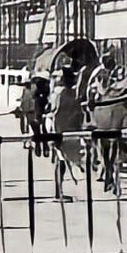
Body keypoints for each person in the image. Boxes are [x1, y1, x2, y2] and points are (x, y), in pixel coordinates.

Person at [50, 68, 84, 201]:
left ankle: (60, 191)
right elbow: (57, 114)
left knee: (65, 161)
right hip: (61, 131)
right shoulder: (62, 94)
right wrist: (56, 134)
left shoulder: (74, 94)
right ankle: (58, 192)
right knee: (62, 161)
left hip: (72, 131)